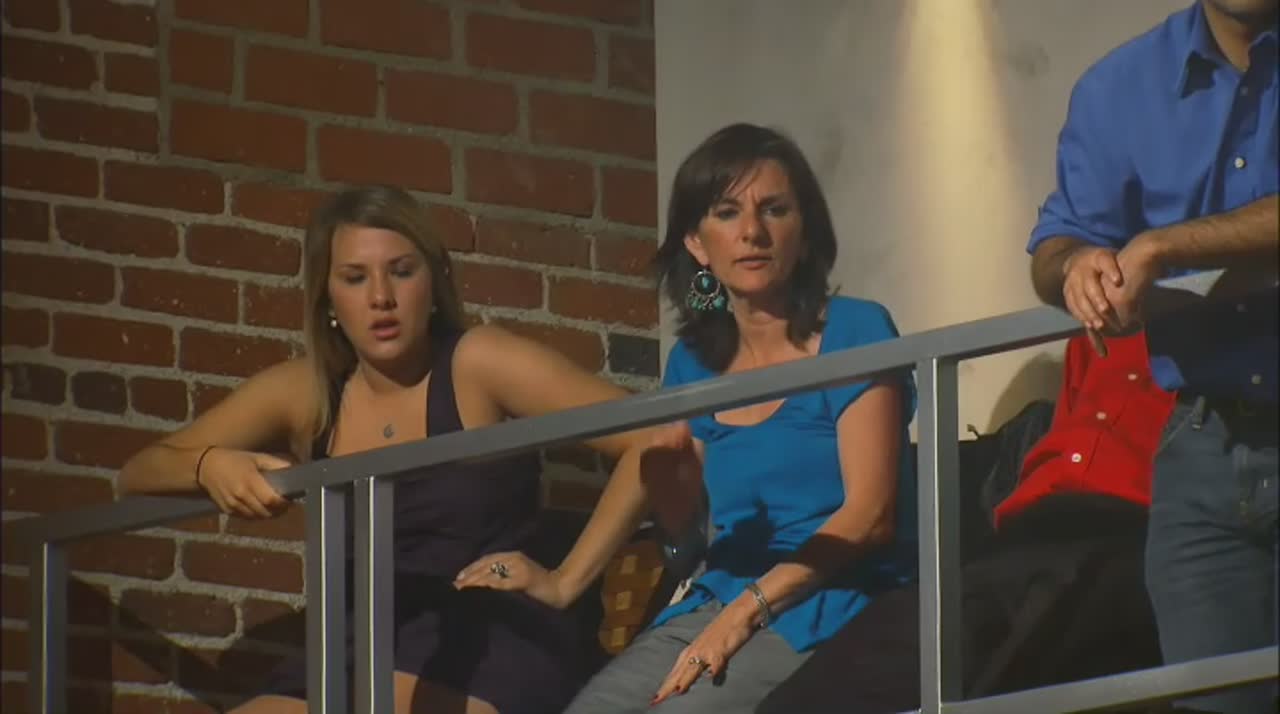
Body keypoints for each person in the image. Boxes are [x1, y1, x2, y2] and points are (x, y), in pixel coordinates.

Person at [118, 185, 649, 714]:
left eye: (401, 271)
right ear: (327, 299)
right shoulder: (306, 392)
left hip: (489, 634)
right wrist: (208, 465)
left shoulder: (477, 361)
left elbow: (653, 435)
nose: (380, 298)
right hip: (358, 640)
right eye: (355, 278)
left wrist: (565, 581)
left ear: (435, 280)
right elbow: (137, 474)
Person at [452, 122, 919, 713]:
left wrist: (745, 612)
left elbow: (870, 518)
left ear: (804, 231)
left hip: (836, 599)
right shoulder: (693, 363)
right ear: (697, 244)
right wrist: (573, 574)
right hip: (716, 597)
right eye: (727, 213)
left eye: (774, 209)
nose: (752, 232)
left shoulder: (855, 328)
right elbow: (687, 538)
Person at [1027, 2, 1278, 711]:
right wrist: (1077, 264)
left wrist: (1165, 245)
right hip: (1200, 447)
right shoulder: (1120, 84)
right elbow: (1055, 242)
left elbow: (1162, 248)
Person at [758, 330, 1172, 713]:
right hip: (1024, 532)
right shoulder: (1094, 328)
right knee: (882, 648)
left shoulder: (1195, 327)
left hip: (1129, 530)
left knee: (1013, 657)